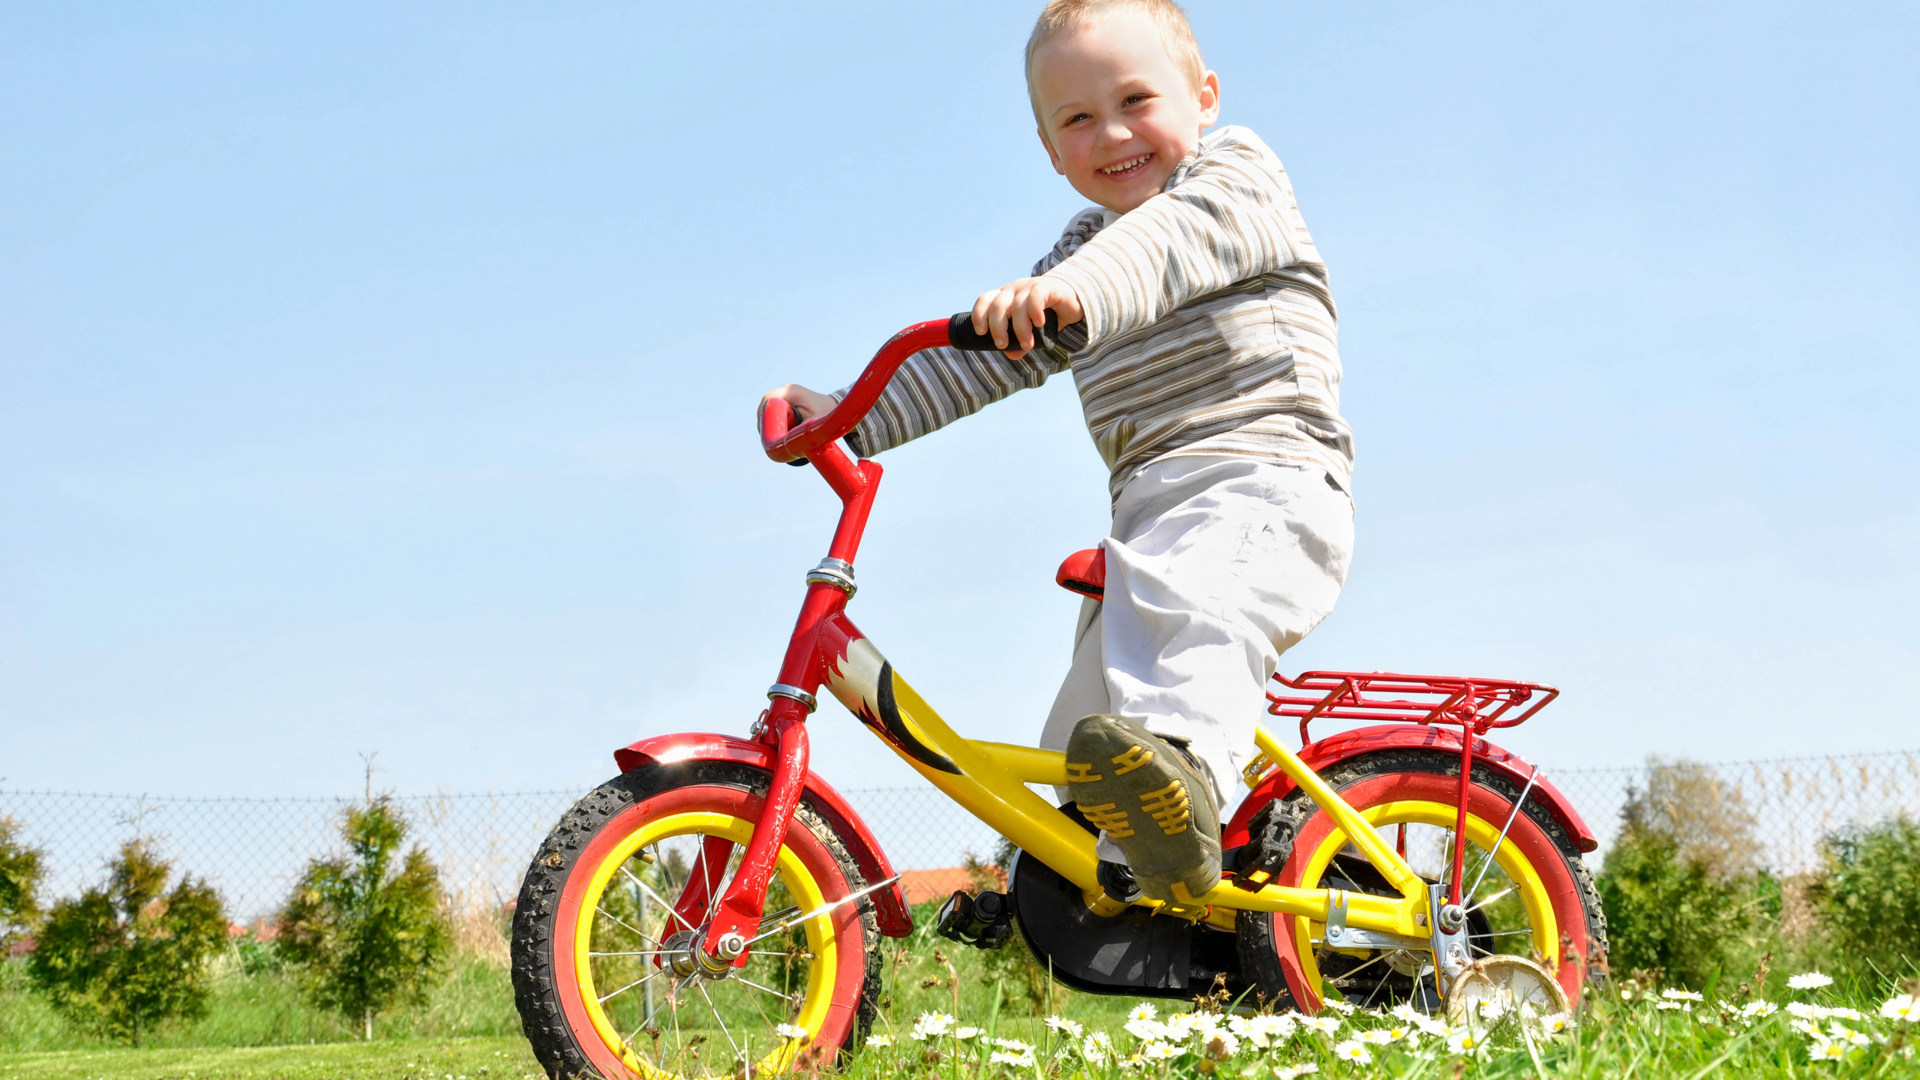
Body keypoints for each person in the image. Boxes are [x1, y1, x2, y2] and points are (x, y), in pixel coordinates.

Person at [761, 0, 1354, 906]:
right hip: (1149, 513)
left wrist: (1069, 290)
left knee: (1184, 655)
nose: (1111, 132)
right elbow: (974, 365)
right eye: (1078, 118)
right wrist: (848, 413)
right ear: (1049, 149)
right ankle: (1078, 895)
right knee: (1089, 730)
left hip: (1260, 479)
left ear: (1203, 97)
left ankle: (1187, 784)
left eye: (1135, 100)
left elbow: (1165, 248)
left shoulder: (1237, 177)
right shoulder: (1082, 251)